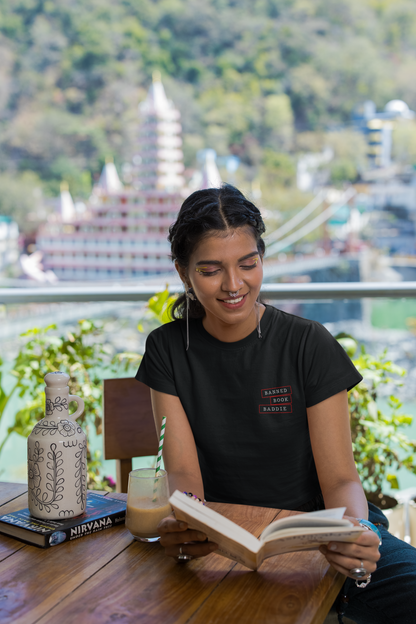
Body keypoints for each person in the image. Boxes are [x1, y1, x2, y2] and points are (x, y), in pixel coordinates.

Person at [136, 184, 416, 624]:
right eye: (211, 271)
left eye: (248, 264)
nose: (234, 285)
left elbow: (341, 479)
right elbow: (185, 477)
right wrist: (187, 524)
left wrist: (355, 533)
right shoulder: (167, 349)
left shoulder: (308, 343)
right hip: (223, 543)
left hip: (324, 532)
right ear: (182, 271)